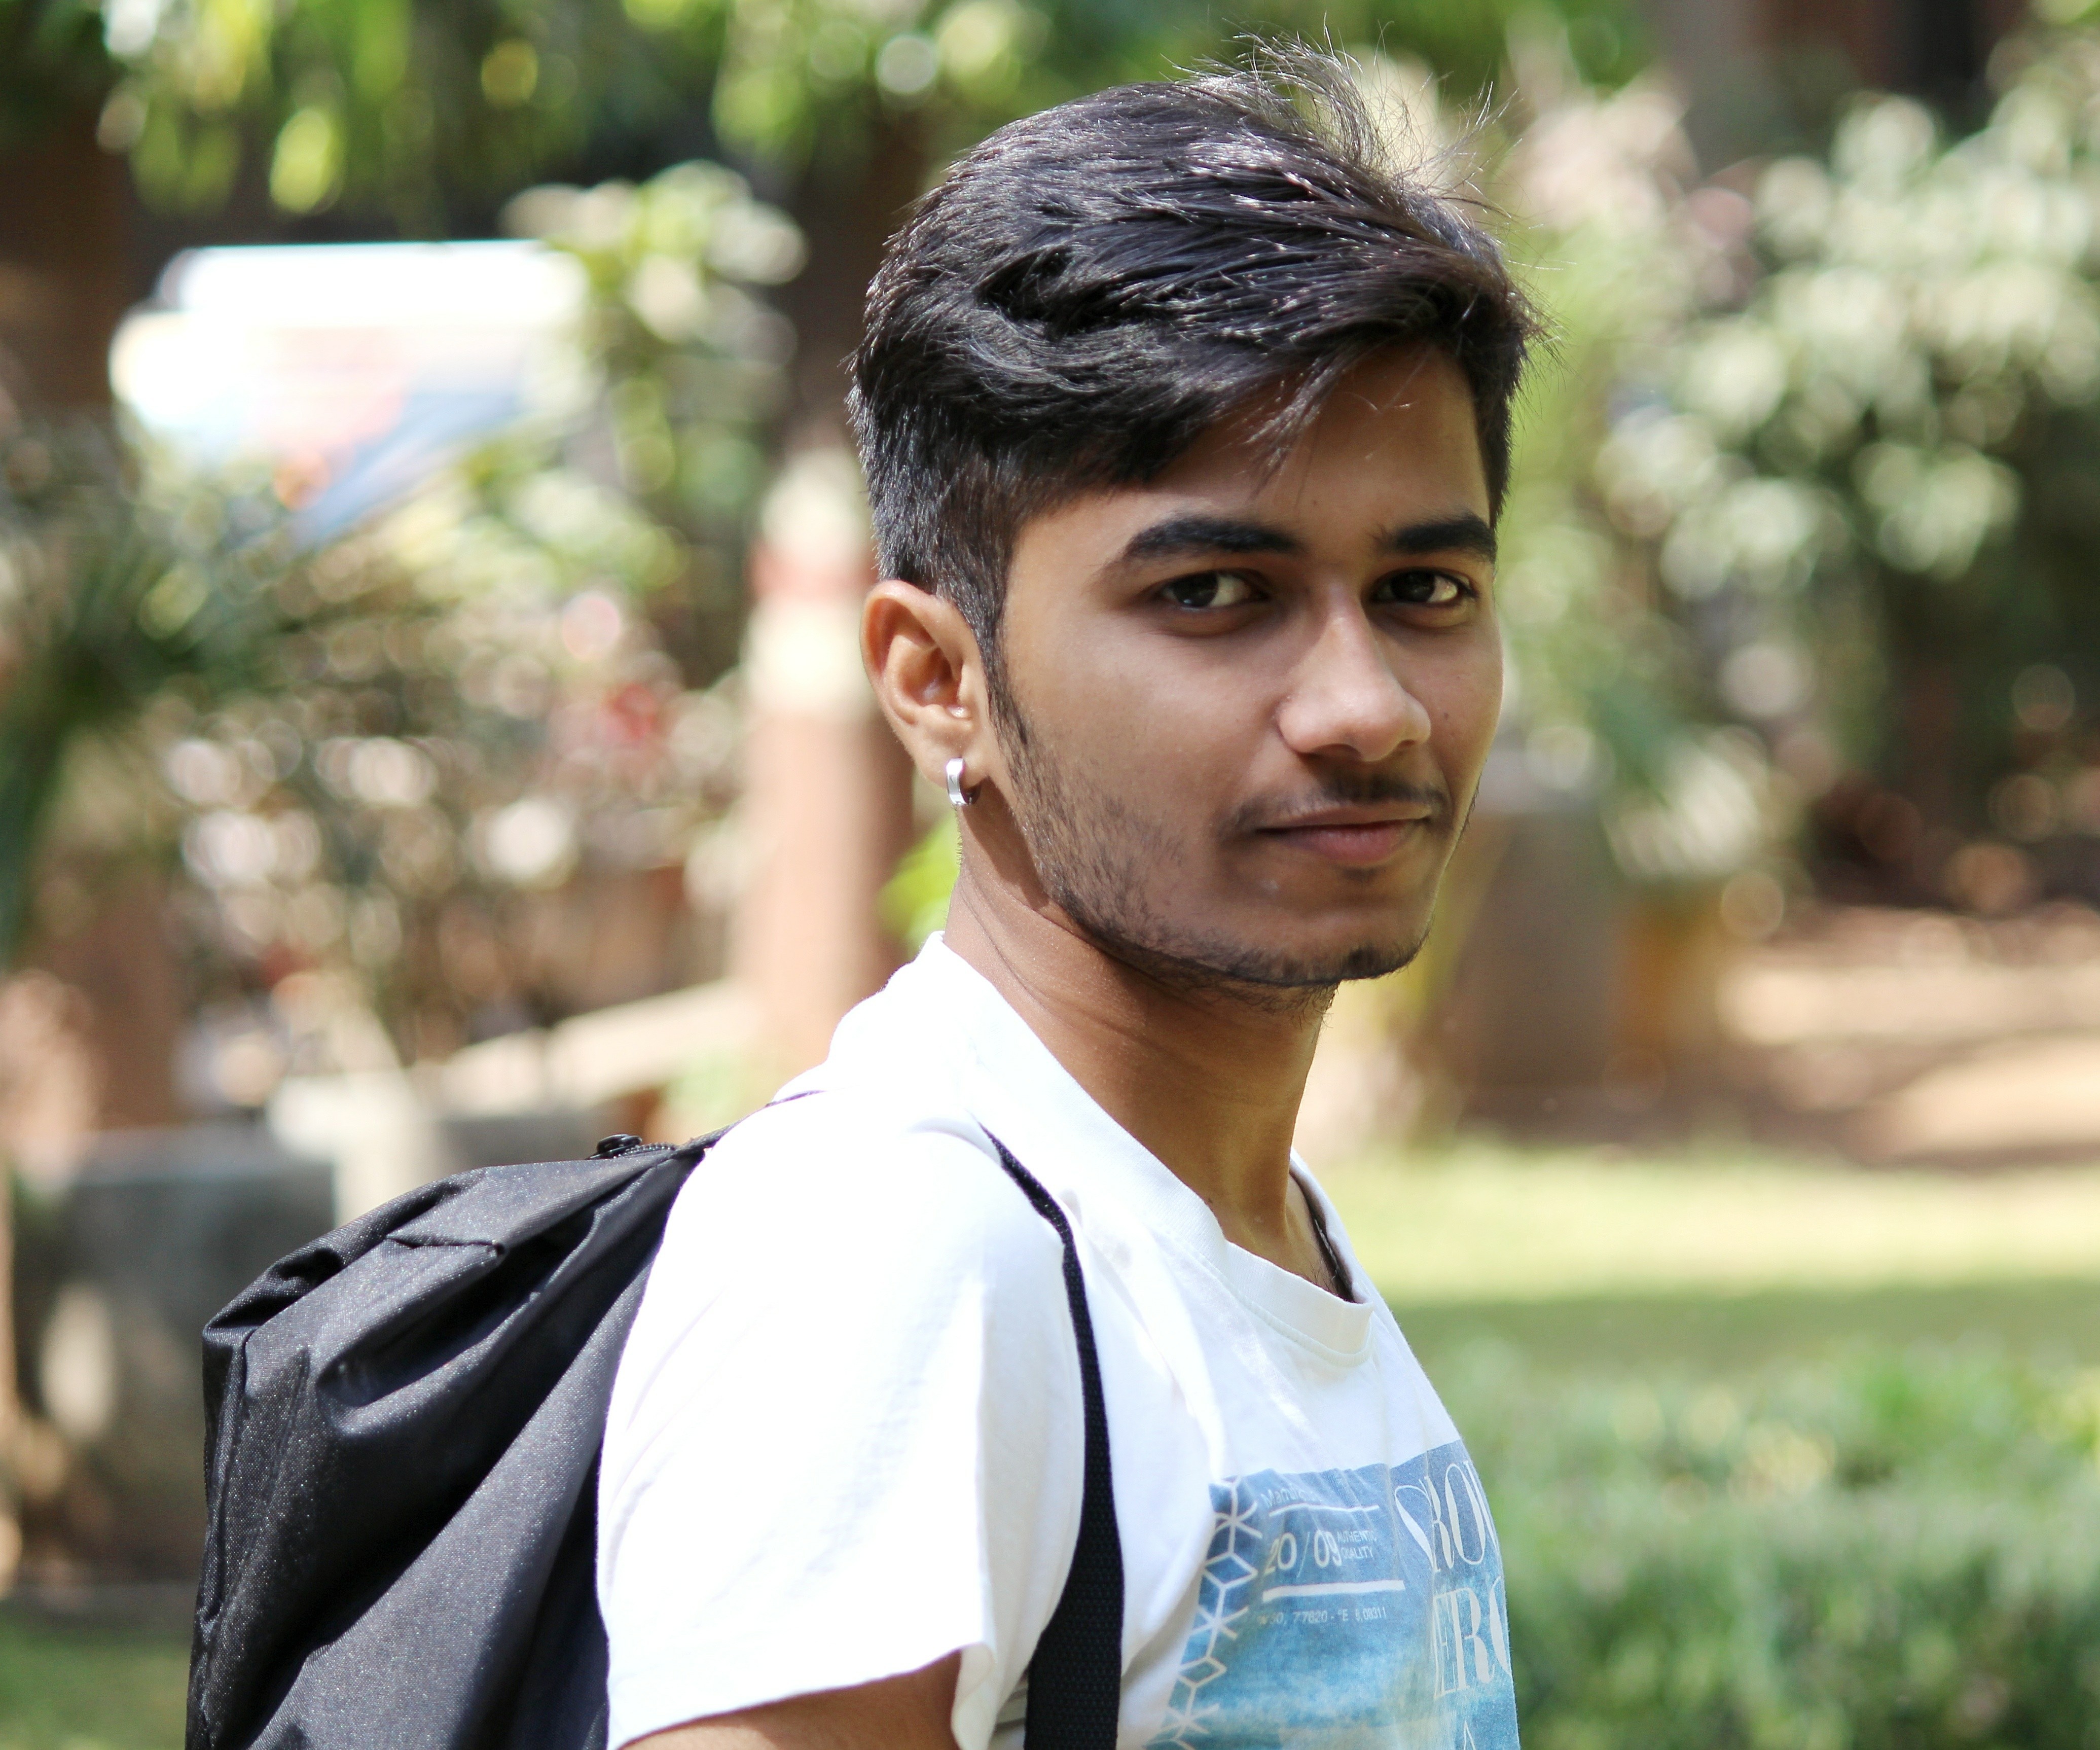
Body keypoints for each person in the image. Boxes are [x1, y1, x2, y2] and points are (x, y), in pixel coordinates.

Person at [597, 50, 1534, 1750]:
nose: (1368, 706)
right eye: (1216, 593)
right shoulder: (895, 1250)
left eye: (1424, 587)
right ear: (937, 679)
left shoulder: (1238, 1226)